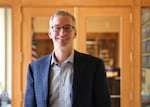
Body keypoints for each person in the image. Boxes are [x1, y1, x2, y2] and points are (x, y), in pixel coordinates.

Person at [24, 10, 111, 107]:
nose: (62, 33)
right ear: (50, 33)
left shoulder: (94, 66)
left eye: (67, 28)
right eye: (57, 28)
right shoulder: (35, 68)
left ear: (75, 33)